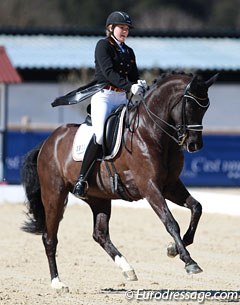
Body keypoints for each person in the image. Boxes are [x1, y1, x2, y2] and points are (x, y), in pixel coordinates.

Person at [73, 11, 147, 199]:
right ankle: (82, 179)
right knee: (99, 135)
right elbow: (108, 73)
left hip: (122, 97)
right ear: (110, 28)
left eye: (127, 28)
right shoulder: (102, 46)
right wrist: (130, 86)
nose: (125, 31)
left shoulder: (129, 52)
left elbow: (133, 75)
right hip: (104, 96)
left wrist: (139, 83)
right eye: (121, 27)